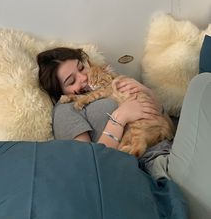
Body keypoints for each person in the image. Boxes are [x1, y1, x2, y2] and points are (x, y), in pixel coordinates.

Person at [37, 47, 211, 219]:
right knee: (201, 85)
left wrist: (149, 96)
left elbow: (168, 131)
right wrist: (120, 118)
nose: (83, 77)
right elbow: (88, 165)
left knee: (203, 85)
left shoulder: (111, 81)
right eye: (71, 81)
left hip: (174, 146)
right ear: (60, 91)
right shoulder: (66, 110)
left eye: (81, 68)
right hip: (150, 165)